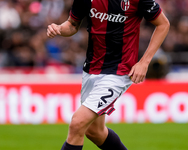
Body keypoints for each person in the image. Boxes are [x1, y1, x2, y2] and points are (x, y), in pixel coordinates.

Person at [47, 0, 170, 149]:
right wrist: (59, 28)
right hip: (91, 69)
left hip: (118, 72)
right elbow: (72, 25)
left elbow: (163, 24)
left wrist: (144, 62)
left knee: (77, 123)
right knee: (95, 132)